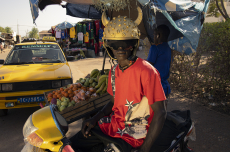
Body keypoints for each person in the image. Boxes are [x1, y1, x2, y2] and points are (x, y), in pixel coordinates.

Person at [70, 9, 167, 152]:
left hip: (133, 134)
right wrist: (94, 118)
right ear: (109, 47)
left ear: (133, 44)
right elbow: (112, 101)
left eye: (126, 43)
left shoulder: (147, 71)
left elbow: (161, 112)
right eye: (115, 44)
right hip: (113, 127)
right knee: (73, 144)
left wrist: (144, 150)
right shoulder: (114, 71)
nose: (120, 48)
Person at [146, 24, 172, 98]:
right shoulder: (169, 49)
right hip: (165, 86)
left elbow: (148, 67)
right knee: (163, 108)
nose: (153, 36)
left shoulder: (155, 48)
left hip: (156, 87)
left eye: (154, 34)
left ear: (158, 35)